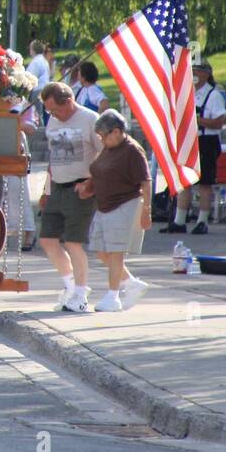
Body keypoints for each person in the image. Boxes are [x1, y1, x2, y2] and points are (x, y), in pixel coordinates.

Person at [38, 82, 103, 312]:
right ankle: (70, 286)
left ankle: (81, 294)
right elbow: (52, 158)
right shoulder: (54, 122)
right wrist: (46, 191)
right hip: (57, 186)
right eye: (49, 111)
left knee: (73, 242)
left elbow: (104, 154)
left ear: (69, 102)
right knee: (47, 239)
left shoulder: (90, 119)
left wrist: (91, 183)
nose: (53, 115)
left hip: (81, 188)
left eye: (55, 109)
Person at [83, 110, 151, 311]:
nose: (101, 140)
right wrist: (88, 186)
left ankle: (113, 297)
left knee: (115, 252)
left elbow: (146, 182)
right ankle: (131, 283)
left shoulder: (132, 150)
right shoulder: (109, 147)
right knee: (101, 250)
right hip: (103, 205)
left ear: (117, 132)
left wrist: (147, 210)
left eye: (104, 136)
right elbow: (99, 170)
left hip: (124, 204)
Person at [162, 62, 226, 234]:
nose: (193, 74)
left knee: (205, 183)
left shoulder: (213, 95)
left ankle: (202, 221)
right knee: (185, 181)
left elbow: (219, 122)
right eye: (192, 71)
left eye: (197, 71)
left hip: (206, 141)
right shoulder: (188, 92)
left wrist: (197, 120)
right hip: (188, 140)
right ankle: (179, 220)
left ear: (206, 74)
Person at [4, 98, 39, 250]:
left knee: (18, 189)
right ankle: (2, 230)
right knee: (1, 192)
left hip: (17, 145)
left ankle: (28, 230)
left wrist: (14, 122)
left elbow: (31, 128)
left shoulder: (23, 103)